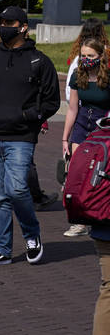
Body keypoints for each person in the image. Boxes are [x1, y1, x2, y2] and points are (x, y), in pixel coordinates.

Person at [0, 6, 59, 266]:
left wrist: (27, 117)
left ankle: (32, 235)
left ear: (23, 27)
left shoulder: (39, 61)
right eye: (2, 21)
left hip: (20, 138)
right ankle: (2, 249)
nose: (4, 25)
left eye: (10, 22)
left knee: (17, 190)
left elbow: (51, 101)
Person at [61, 37, 110, 237]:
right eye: (83, 56)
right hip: (82, 128)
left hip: (103, 129)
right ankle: (79, 221)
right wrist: (65, 138)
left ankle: (99, 212)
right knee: (76, 173)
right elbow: (72, 109)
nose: (86, 59)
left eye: (91, 56)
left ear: (101, 57)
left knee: (98, 174)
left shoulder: (107, 78)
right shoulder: (77, 75)